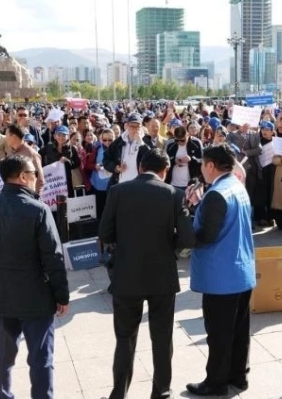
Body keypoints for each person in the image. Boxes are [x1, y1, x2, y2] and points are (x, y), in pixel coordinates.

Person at [99, 149, 196, 399]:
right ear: (165, 172)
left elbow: (106, 234)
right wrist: (167, 244)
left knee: (125, 338)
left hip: (126, 274)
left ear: (140, 168)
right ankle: (161, 391)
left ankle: (119, 393)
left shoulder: (118, 192)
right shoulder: (173, 194)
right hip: (161, 275)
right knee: (162, 338)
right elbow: (186, 238)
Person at [0, 155, 70, 399]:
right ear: (22, 176)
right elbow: (54, 257)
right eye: (33, 174)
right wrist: (62, 295)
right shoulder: (38, 209)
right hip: (35, 298)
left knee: (2, 359)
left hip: (1, 296)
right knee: (41, 359)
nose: (37, 179)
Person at [185, 144, 256, 397]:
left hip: (221, 275)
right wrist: (199, 207)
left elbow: (206, 236)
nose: (201, 169)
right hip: (241, 270)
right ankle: (238, 375)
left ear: (211, 165)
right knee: (238, 329)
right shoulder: (236, 186)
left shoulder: (217, 194)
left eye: (202, 164)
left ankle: (216, 383)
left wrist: (184, 229)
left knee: (219, 332)